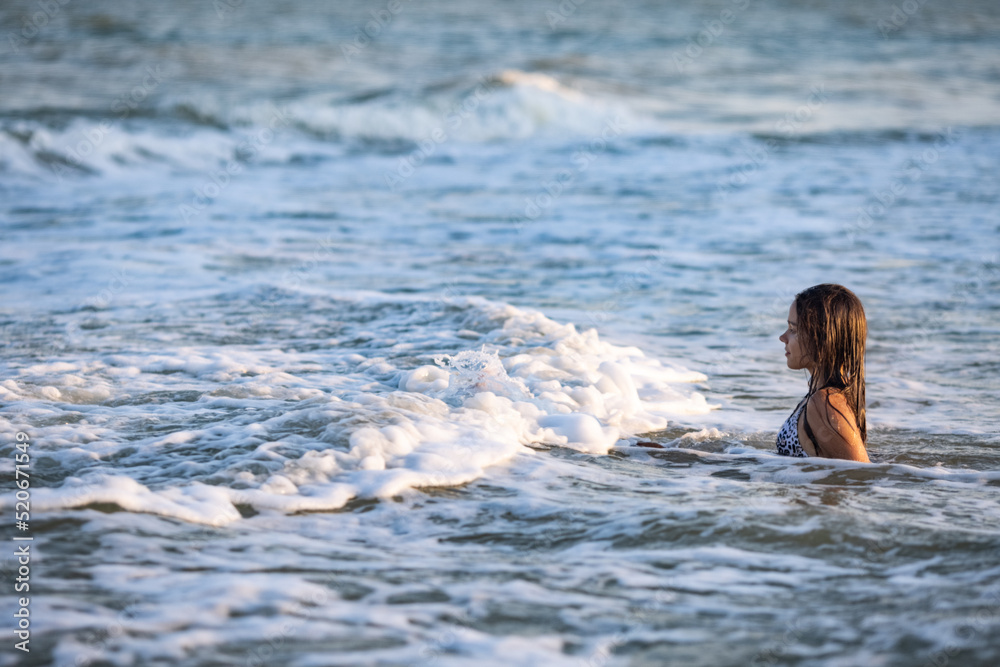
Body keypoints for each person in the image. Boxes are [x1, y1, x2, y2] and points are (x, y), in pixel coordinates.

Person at [775, 284, 870, 462]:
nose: (783, 337)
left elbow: (864, 476)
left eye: (793, 329)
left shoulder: (825, 403)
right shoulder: (821, 396)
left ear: (822, 339)